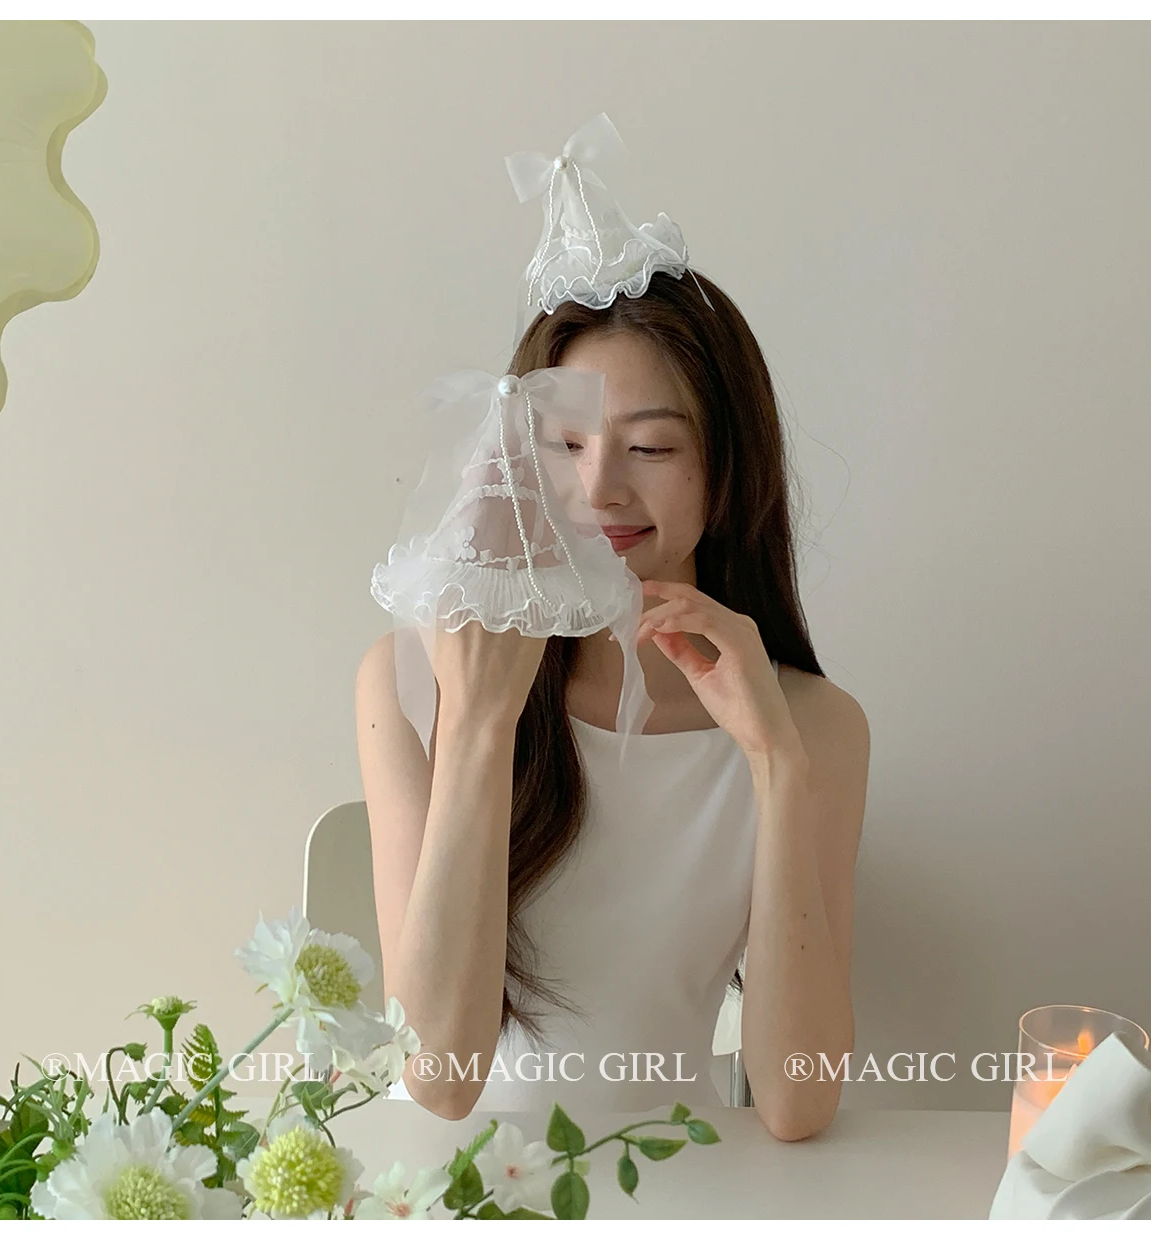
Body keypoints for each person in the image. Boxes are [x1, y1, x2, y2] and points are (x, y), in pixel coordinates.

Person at [354, 268, 870, 1141]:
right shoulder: (413, 677)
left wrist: (776, 762)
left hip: (674, 1175)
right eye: (565, 444)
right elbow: (439, 1076)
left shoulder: (817, 725)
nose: (599, 490)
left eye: (653, 448)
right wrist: (480, 721)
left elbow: (797, 1101)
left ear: (729, 466)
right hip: (444, 1180)